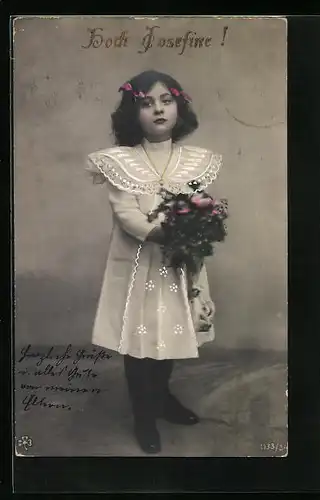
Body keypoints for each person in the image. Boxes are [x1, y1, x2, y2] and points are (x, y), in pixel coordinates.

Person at [86, 70, 223, 454]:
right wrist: (167, 232)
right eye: (147, 103)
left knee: (172, 331)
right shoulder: (121, 162)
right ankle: (144, 417)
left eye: (166, 101)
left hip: (178, 264)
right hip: (139, 264)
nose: (158, 109)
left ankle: (161, 399)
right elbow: (126, 215)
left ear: (179, 107)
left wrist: (198, 227)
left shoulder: (194, 160)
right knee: (141, 341)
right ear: (134, 113)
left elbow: (198, 205)